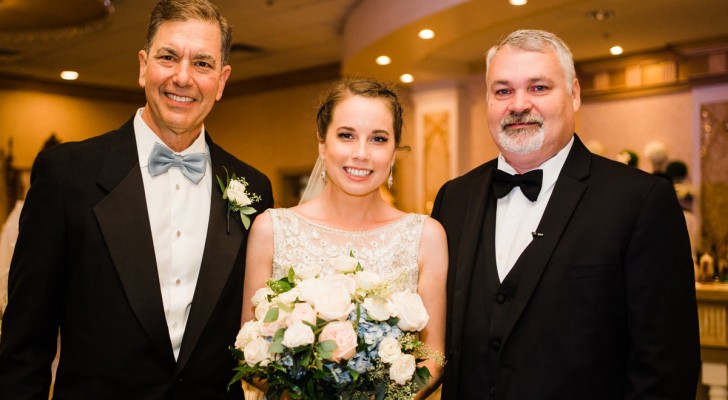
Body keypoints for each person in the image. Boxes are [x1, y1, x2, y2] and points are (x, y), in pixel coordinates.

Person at [0, 1, 273, 399]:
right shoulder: (66, 175)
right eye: (168, 57)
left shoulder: (253, 188)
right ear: (143, 65)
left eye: (202, 63)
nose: (183, 77)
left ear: (222, 79)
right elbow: (25, 342)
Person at [431, 29, 700, 399]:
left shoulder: (642, 201)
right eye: (503, 90)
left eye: (538, 88)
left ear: (574, 95)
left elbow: (665, 369)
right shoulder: (453, 199)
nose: (518, 104)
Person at [242, 78, 448, 399]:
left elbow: (432, 359)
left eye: (378, 139)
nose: (361, 153)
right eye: (346, 135)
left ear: (394, 151)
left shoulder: (426, 236)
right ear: (322, 144)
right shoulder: (271, 229)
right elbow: (250, 349)